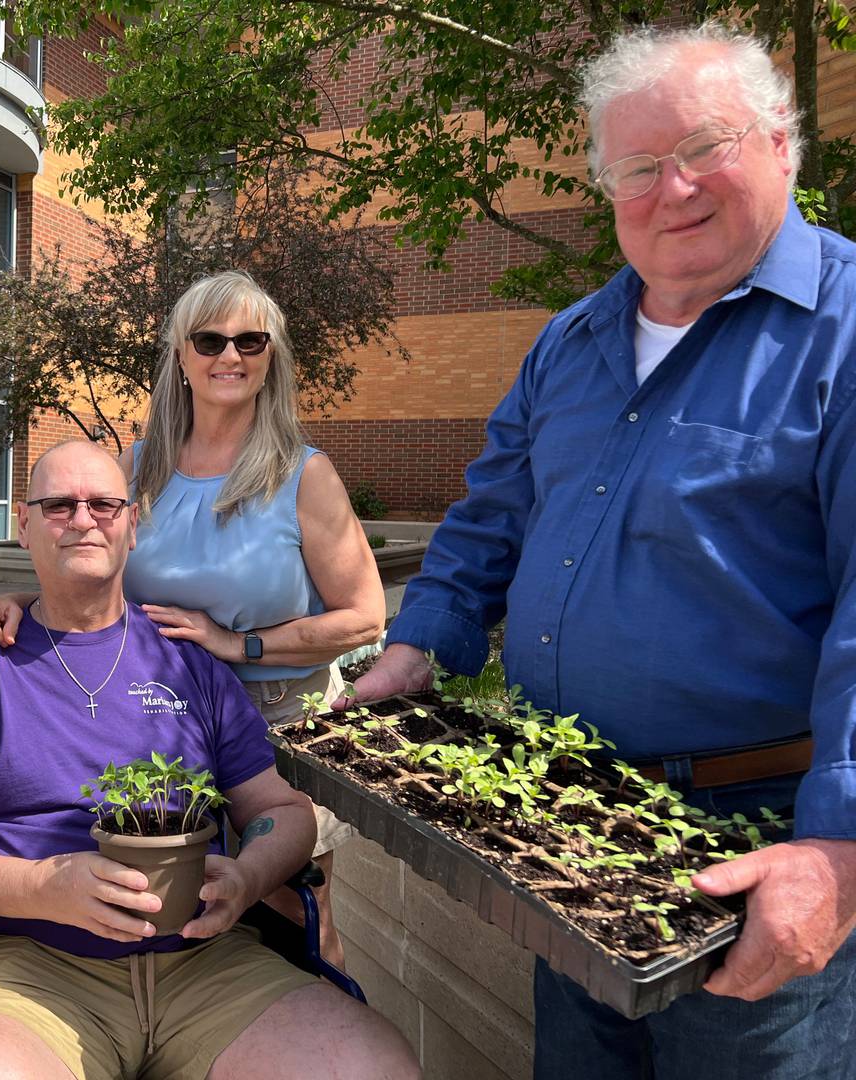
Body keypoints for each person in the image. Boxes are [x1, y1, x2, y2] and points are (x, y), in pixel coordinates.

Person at [340, 23, 856, 1080]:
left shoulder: (844, 331)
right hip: (565, 825)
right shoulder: (569, 343)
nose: (674, 189)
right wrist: (416, 647)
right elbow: (491, 518)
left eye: (706, 147)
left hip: (752, 843)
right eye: (636, 167)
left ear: (782, 143)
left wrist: (839, 848)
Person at [0, 439, 418, 1080]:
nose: (83, 520)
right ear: (25, 524)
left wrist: (248, 878)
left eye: (104, 505)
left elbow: (280, 810)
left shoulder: (187, 658)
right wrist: (42, 887)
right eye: (59, 505)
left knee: (374, 1068)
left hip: (204, 962)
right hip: (25, 967)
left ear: (132, 526)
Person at [0, 270, 385, 965]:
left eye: (250, 340)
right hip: (162, 720)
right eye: (209, 340)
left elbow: (364, 617)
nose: (230, 356)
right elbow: (95, 565)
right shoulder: (141, 465)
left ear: (271, 356)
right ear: (180, 354)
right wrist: (19, 605)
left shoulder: (303, 475)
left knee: (290, 909)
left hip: (281, 720)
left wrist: (235, 643)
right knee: (170, 913)